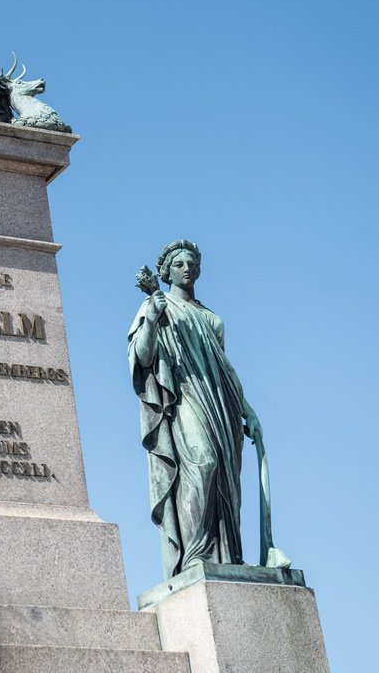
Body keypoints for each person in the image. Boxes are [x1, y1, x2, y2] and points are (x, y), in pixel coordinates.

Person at [127, 240, 264, 579]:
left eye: (191, 264)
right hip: (185, 398)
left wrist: (249, 412)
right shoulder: (157, 305)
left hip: (221, 405)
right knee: (204, 464)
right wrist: (154, 318)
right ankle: (195, 554)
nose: (186, 269)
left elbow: (226, 372)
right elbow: (143, 358)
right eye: (179, 264)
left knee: (227, 483)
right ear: (166, 271)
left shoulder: (211, 319)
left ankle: (228, 556)